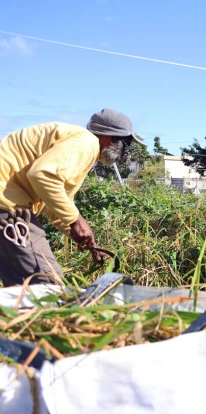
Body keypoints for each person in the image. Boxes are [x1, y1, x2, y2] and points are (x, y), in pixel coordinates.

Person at [0, 109, 146, 286]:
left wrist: (87, 241)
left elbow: (54, 204)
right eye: (126, 145)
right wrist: (75, 220)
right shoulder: (86, 142)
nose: (125, 152)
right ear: (111, 138)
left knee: (20, 287)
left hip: (7, 203)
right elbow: (41, 174)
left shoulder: (77, 145)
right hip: (7, 205)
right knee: (47, 285)